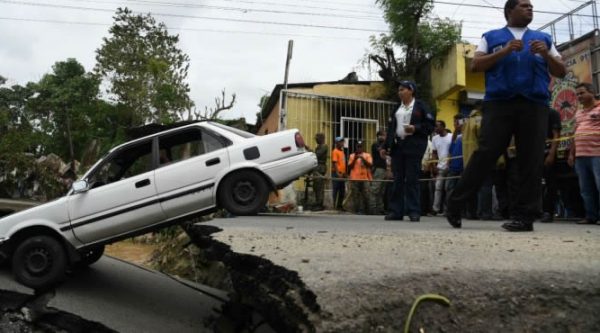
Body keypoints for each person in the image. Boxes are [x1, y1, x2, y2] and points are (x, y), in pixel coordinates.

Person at [446, 0, 566, 231]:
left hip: (534, 105)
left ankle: (525, 216)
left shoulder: (544, 39)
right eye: (524, 5)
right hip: (499, 104)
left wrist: (547, 55)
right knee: (486, 154)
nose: (530, 8)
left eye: (531, 6)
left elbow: (560, 71)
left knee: (531, 160)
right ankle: (455, 204)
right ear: (509, 11)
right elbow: (475, 65)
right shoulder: (491, 37)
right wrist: (505, 50)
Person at [381, 80, 435, 222]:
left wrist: (415, 128)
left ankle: (414, 211)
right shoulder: (396, 108)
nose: (400, 92)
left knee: (412, 179)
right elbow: (391, 129)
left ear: (411, 90)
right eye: (399, 90)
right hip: (398, 146)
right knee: (397, 179)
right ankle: (396, 211)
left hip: (414, 145)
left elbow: (430, 126)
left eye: (403, 89)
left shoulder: (421, 106)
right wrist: (385, 146)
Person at [568, 83, 600, 225]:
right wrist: (571, 154)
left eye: (582, 93)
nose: (579, 96)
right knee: (585, 188)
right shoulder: (579, 113)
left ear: (592, 92)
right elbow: (575, 133)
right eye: (578, 94)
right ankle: (590, 216)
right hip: (580, 156)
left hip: (597, 154)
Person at [540, 108, 561, 222]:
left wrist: (552, 154)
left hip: (548, 152)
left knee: (550, 183)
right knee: (535, 184)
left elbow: (556, 134)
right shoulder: (534, 114)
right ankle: (536, 210)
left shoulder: (552, 113)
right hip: (534, 154)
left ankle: (548, 211)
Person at [431, 120, 452, 215]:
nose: (435, 128)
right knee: (438, 188)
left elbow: (453, 150)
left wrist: (450, 162)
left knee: (448, 188)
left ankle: (447, 210)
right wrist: (434, 165)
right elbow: (434, 153)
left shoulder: (451, 137)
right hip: (440, 167)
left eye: (437, 126)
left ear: (443, 127)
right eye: (435, 127)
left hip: (450, 166)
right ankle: (435, 209)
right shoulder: (435, 139)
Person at [348, 141, 373, 214]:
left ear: (363, 147)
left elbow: (370, 165)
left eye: (360, 146)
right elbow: (349, 167)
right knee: (355, 195)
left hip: (365, 179)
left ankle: (367, 210)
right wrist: (355, 159)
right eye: (358, 146)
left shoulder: (367, 155)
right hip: (355, 179)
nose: (359, 148)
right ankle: (357, 210)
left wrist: (363, 159)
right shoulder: (352, 156)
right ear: (356, 147)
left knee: (366, 195)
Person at [445, 114, 464, 206]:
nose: (455, 124)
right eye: (454, 122)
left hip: (462, 166)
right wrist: (448, 161)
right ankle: (449, 207)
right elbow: (451, 150)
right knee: (449, 188)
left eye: (457, 122)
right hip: (453, 167)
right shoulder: (455, 135)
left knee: (461, 188)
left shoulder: (466, 134)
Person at [370, 130, 388, 215]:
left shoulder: (383, 145)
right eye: (383, 135)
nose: (385, 137)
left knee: (381, 190)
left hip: (384, 169)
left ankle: (380, 208)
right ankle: (372, 208)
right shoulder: (376, 145)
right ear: (379, 136)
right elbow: (382, 151)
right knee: (375, 190)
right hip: (378, 169)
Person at [311, 133, 328, 211]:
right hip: (317, 167)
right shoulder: (319, 146)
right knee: (316, 186)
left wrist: (309, 150)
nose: (316, 140)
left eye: (317, 138)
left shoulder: (324, 146)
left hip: (321, 168)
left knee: (319, 186)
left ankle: (320, 204)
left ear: (321, 138)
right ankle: (318, 202)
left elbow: (316, 155)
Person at [331, 136, 347, 211]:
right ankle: (334, 206)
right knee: (336, 189)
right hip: (336, 173)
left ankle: (339, 206)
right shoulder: (335, 151)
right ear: (336, 143)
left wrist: (344, 173)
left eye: (342, 141)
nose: (342, 143)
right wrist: (338, 173)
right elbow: (334, 163)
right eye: (340, 142)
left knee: (342, 190)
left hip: (342, 173)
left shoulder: (342, 151)